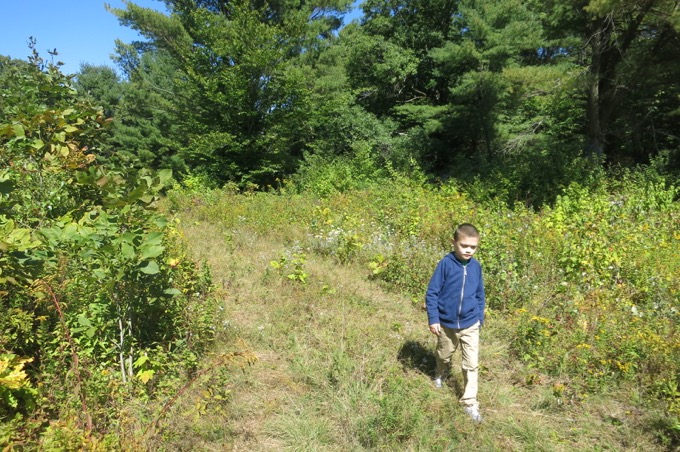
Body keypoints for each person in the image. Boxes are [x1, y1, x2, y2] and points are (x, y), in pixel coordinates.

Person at [425, 223, 486, 423]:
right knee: (444, 355)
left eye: (473, 247)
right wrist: (434, 319)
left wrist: (479, 317)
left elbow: (479, 294)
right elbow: (432, 293)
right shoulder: (445, 264)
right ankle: (440, 374)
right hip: (447, 323)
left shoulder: (476, 266)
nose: (468, 250)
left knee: (471, 364)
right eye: (464, 245)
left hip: (470, 324)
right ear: (453, 243)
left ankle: (470, 402)